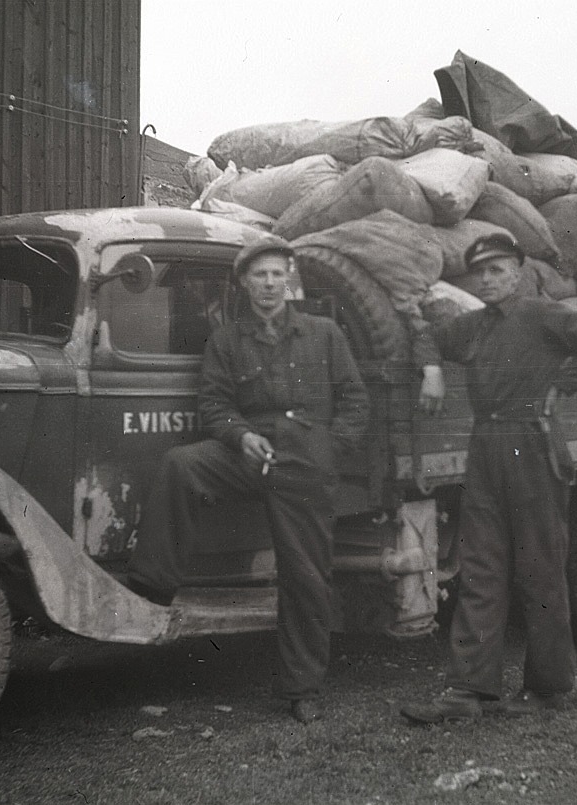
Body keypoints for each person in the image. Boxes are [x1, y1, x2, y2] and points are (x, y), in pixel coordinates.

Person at [127, 234, 369, 724]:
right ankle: (152, 585)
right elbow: (214, 405)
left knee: (304, 575)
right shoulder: (227, 340)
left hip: (304, 467)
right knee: (183, 464)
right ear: (244, 284)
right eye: (260, 275)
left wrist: (326, 450)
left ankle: (303, 690)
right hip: (250, 455)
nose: (270, 284)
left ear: (290, 280)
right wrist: (240, 438)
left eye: (278, 273)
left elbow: (355, 402)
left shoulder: (324, 334)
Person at [400, 232, 577, 723]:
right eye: (480, 272)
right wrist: (432, 369)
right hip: (486, 448)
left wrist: (561, 385)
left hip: (533, 445)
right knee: (481, 568)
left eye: (497, 269)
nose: (487, 279)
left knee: (540, 569)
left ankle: (548, 686)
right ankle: (468, 691)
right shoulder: (473, 326)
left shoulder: (543, 315)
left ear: (519, 272)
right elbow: (427, 335)